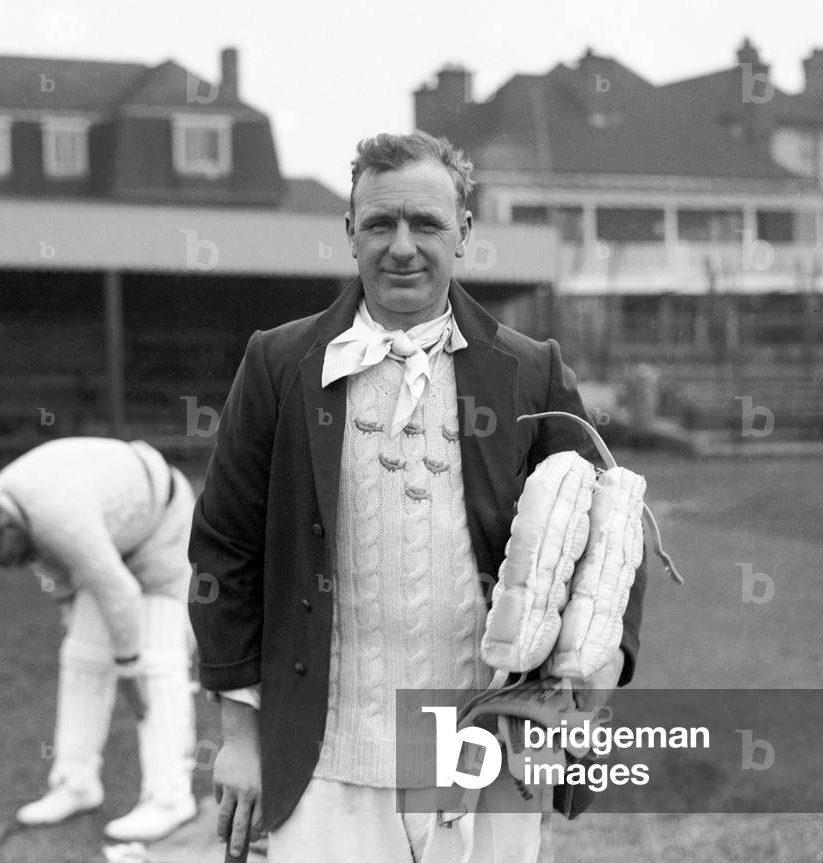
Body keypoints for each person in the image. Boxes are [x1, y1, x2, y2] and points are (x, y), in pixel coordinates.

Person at [188, 131, 647, 862]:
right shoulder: (278, 363)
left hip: (486, 748)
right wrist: (237, 736)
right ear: (349, 233)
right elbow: (226, 548)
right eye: (380, 223)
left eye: (425, 223)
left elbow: (611, 548)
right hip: (328, 752)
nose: (401, 247)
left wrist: (580, 693)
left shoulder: (529, 371)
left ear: (462, 232)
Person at [0, 436, 199, 843]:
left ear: (7, 528)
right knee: (82, 655)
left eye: (6, 559)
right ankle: (75, 782)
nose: (12, 568)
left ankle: (170, 797)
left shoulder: (58, 517)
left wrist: (127, 669)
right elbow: (54, 563)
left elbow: (119, 592)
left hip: (161, 524)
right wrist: (69, 605)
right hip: (109, 531)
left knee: (155, 663)